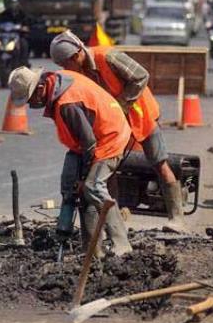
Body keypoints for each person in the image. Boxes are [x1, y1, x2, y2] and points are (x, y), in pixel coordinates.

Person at [49, 30, 184, 221]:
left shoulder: (108, 56)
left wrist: (121, 103)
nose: (66, 69)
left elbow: (141, 76)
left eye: (66, 63)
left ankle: (177, 218)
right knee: (107, 169)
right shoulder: (80, 74)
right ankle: (116, 218)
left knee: (159, 163)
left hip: (141, 115)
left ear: (77, 54)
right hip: (113, 126)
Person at [8, 66, 133, 257]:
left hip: (109, 136)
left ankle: (122, 244)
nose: (31, 104)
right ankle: (91, 249)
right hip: (86, 142)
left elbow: (89, 143)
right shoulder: (56, 83)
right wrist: (76, 182)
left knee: (92, 187)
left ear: (40, 88)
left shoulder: (67, 103)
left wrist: (83, 178)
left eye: (31, 99)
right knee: (71, 188)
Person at [0, 0, 30, 66]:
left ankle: (24, 62)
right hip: (5, 35)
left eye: (14, 3)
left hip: (18, 36)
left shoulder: (22, 14)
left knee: (24, 43)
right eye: (11, 3)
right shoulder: (3, 15)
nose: (12, 5)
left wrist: (25, 28)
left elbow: (28, 23)